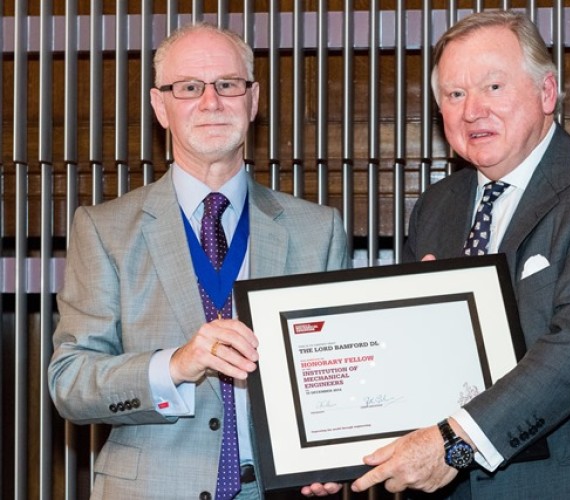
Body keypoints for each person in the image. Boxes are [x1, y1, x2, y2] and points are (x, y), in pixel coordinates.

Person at [304, 9, 570, 499]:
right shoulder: (437, 206)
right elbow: (405, 361)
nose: (472, 110)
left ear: (546, 93)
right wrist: (347, 450)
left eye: (493, 87)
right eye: (455, 95)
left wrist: (455, 443)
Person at [48, 22, 349, 500]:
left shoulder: (319, 229)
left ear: (252, 101)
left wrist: (336, 456)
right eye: (188, 87)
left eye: (228, 85)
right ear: (159, 106)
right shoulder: (104, 228)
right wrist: (177, 365)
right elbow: (70, 383)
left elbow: (339, 373)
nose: (211, 102)